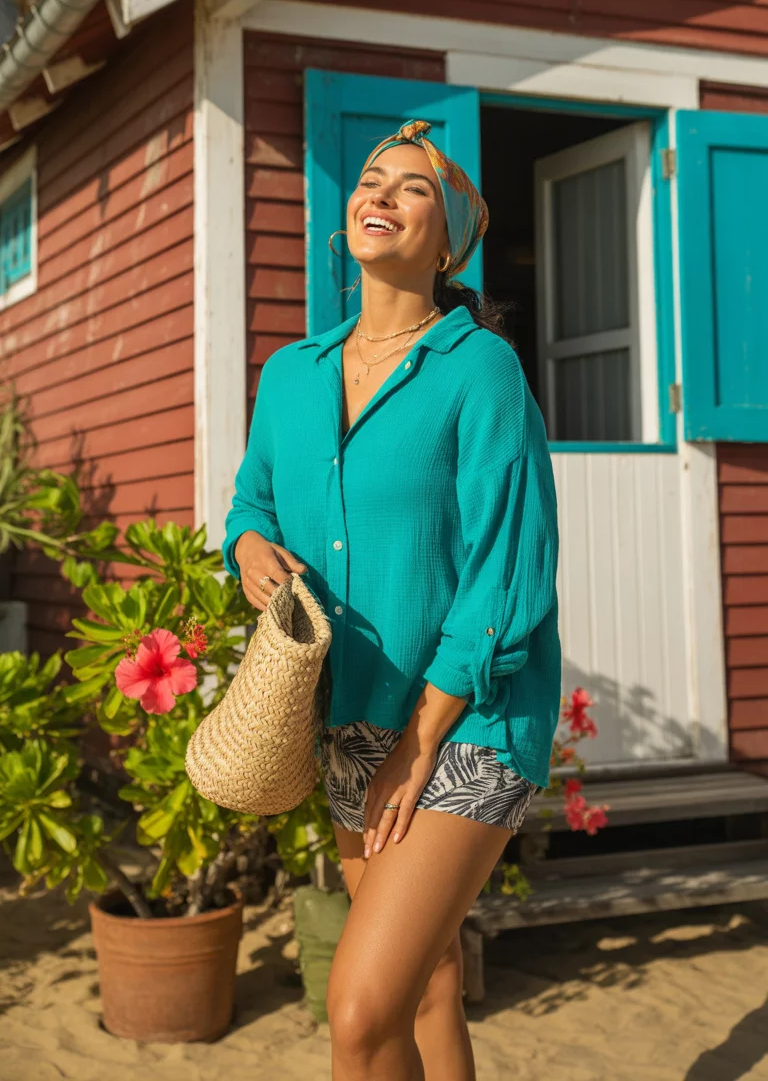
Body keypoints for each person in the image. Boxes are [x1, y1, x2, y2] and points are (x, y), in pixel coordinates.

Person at [222, 118, 561, 1081]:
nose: (382, 192)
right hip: (355, 718)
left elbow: (512, 567)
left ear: (449, 237)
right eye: (372, 178)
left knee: (362, 1009)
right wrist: (247, 543)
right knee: (426, 987)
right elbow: (252, 499)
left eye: (413, 186)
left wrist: (424, 735)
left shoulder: (480, 370)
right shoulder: (291, 375)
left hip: (468, 720)